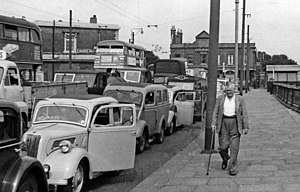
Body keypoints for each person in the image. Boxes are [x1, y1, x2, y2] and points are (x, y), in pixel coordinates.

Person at [211, 82, 249, 176]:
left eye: (231, 91)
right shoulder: (220, 99)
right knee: (222, 147)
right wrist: (213, 123)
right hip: (223, 123)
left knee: (234, 148)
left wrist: (246, 126)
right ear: (225, 91)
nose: (229, 93)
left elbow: (244, 113)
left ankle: (232, 168)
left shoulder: (239, 99)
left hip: (235, 123)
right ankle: (225, 158)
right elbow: (215, 111)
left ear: (234, 90)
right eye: (227, 91)